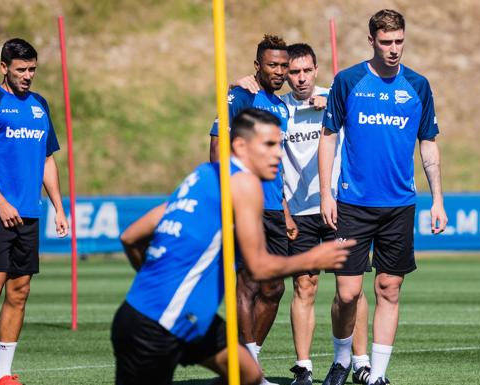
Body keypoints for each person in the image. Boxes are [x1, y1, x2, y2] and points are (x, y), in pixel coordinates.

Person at [112, 108, 354, 385]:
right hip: (155, 327)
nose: (278, 154)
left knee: (248, 375)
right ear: (240, 145)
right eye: (269, 145)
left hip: (183, 318)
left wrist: (154, 281)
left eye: (280, 144)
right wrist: (313, 259)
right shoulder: (244, 183)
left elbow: (130, 237)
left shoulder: (204, 175)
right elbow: (259, 267)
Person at [318, 10, 448, 385]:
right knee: (347, 293)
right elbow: (328, 136)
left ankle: (377, 375)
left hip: (399, 206)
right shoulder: (348, 81)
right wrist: (327, 192)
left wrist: (437, 199)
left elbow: (429, 144)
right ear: (371, 40)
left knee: (389, 288)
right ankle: (342, 360)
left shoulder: (418, 86)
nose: (394, 50)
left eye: (399, 42)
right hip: (353, 204)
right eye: (387, 42)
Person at [237, 43, 373, 385]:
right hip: (298, 213)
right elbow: (246, 104)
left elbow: (368, 121)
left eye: (305, 71)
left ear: (316, 69)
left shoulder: (335, 97)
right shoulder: (278, 107)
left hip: (341, 206)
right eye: (293, 72)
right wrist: (242, 83)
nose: (299, 78)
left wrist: (334, 106)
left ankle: (360, 361)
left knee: (351, 290)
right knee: (304, 286)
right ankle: (304, 366)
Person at [0, 38, 69, 385]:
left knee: (20, 290)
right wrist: (1, 201)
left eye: (32, 70)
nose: (28, 76)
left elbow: (47, 159)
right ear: (4, 68)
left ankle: (2, 374)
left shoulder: (40, 105)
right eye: (21, 69)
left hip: (30, 212)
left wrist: (58, 206)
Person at [209, 35, 290, 385]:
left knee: (274, 288)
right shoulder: (238, 96)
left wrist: (285, 208)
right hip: (244, 201)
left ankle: (246, 364)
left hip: (274, 206)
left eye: (283, 65)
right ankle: (248, 371)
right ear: (257, 65)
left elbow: (280, 164)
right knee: (248, 283)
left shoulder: (282, 105)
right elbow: (217, 145)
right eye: (272, 64)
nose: (280, 71)